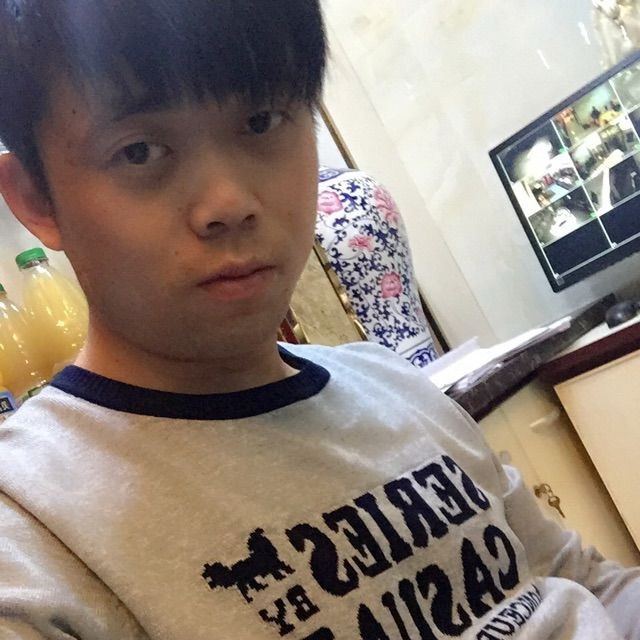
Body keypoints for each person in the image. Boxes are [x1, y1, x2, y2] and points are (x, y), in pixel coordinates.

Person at [0, 2, 638, 638]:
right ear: (34, 197)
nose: (229, 202)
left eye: (261, 119)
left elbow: (586, 581)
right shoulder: (29, 531)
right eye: (139, 151)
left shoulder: (392, 383)